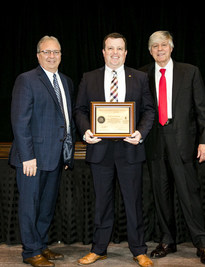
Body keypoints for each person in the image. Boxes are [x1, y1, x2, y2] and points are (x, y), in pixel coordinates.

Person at [74, 32, 155, 267]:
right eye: (110, 48)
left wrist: (140, 133)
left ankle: (139, 250)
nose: (115, 53)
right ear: (103, 52)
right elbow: (79, 110)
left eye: (119, 48)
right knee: (102, 202)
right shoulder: (89, 78)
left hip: (130, 150)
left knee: (133, 202)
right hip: (100, 150)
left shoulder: (139, 78)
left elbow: (149, 110)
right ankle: (99, 249)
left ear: (126, 52)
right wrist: (86, 130)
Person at [139, 30, 205, 265]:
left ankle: (202, 244)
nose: (159, 49)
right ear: (150, 51)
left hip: (182, 140)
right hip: (154, 141)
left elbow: (202, 109)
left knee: (188, 195)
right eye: (154, 46)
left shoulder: (189, 71)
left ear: (171, 47)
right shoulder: (142, 75)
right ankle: (167, 240)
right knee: (161, 195)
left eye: (163, 45)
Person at [9, 35, 75, 267]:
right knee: (30, 206)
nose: (51, 56)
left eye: (56, 52)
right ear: (38, 55)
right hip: (32, 159)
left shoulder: (65, 81)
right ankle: (30, 252)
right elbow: (20, 121)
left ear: (61, 55)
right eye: (46, 52)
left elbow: (66, 120)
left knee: (46, 206)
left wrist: (67, 153)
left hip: (56, 157)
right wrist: (27, 156)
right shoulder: (26, 80)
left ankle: (41, 245)